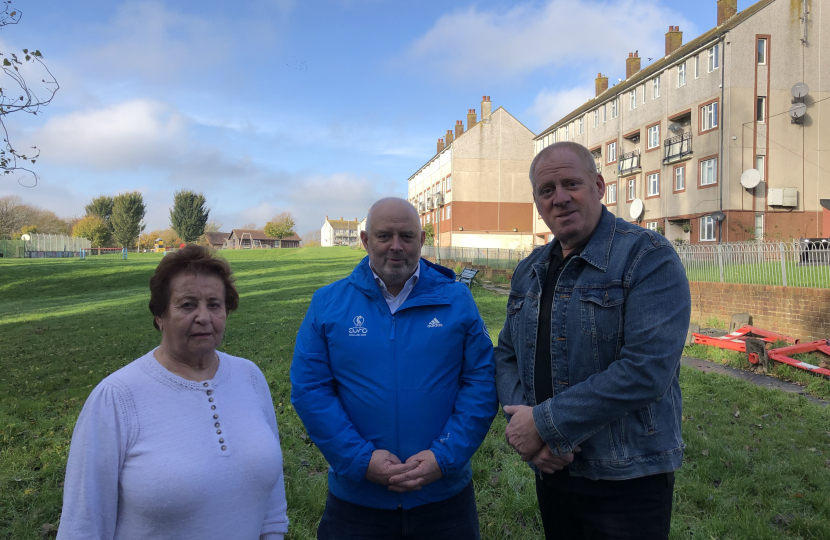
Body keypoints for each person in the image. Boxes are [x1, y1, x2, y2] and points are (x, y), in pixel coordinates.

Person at [494, 142, 691, 540]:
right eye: (546, 191)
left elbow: (646, 371)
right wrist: (528, 430)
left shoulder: (648, 257)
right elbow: (507, 354)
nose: (560, 198)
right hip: (552, 468)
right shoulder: (530, 269)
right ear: (537, 201)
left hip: (627, 477)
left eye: (571, 183)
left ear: (599, 186)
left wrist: (545, 426)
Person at [290, 197, 497, 540]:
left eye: (407, 236)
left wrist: (444, 457)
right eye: (385, 236)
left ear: (421, 240)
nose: (396, 247)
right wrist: (360, 460)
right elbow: (310, 389)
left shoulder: (457, 300)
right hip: (357, 501)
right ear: (365, 240)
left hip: (443, 498)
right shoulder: (328, 304)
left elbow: (481, 382)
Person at [58, 245, 288, 540]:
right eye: (188, 305)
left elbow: (273, 503)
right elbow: (83, 524)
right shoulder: (116, 398)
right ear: (159, 316)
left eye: (214, 305)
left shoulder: (250, 377)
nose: (204, 317)